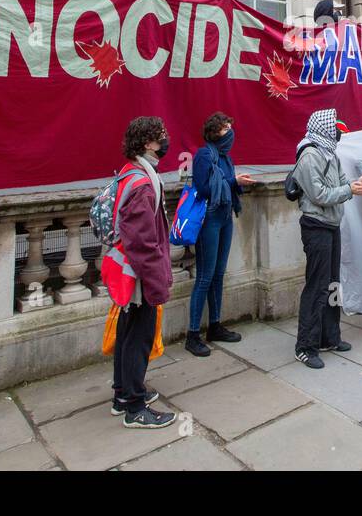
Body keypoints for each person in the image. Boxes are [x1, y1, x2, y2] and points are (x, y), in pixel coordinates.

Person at [294, 110, 362, 368]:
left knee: (332, 284)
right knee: (316, 286)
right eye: (333, 126)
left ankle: (329, 337)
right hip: (316, 226)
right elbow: (319, 194)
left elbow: (342, 182)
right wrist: (349, 190)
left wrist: (356, 183)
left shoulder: (329, 153)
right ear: (323, 128)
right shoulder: (310, 155)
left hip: (331, 224)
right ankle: (305, 346)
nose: (338, 130)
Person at [110, 116, 178, 428]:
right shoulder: (142, 183)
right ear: (148, 142)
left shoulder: (132, 172)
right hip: (139, 275)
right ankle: (135, 409)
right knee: (139, 337)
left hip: (130, 270)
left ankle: (123, 394)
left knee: (127, 333)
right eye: (161, 136)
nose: (165, 140)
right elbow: (143, 241)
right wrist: (156, 282)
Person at [185, 113, 256, 358]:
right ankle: (192, 335)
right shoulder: (205, 155)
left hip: (225, 218)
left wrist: (237, 183)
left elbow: (224, 184)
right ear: (215, 133)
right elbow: (204, 188)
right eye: (227, 128)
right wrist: (232, 180)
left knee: (218, 275)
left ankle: (214, 325)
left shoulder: (226, 157)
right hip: (210, 221)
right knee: (204, 277)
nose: (231, 132)